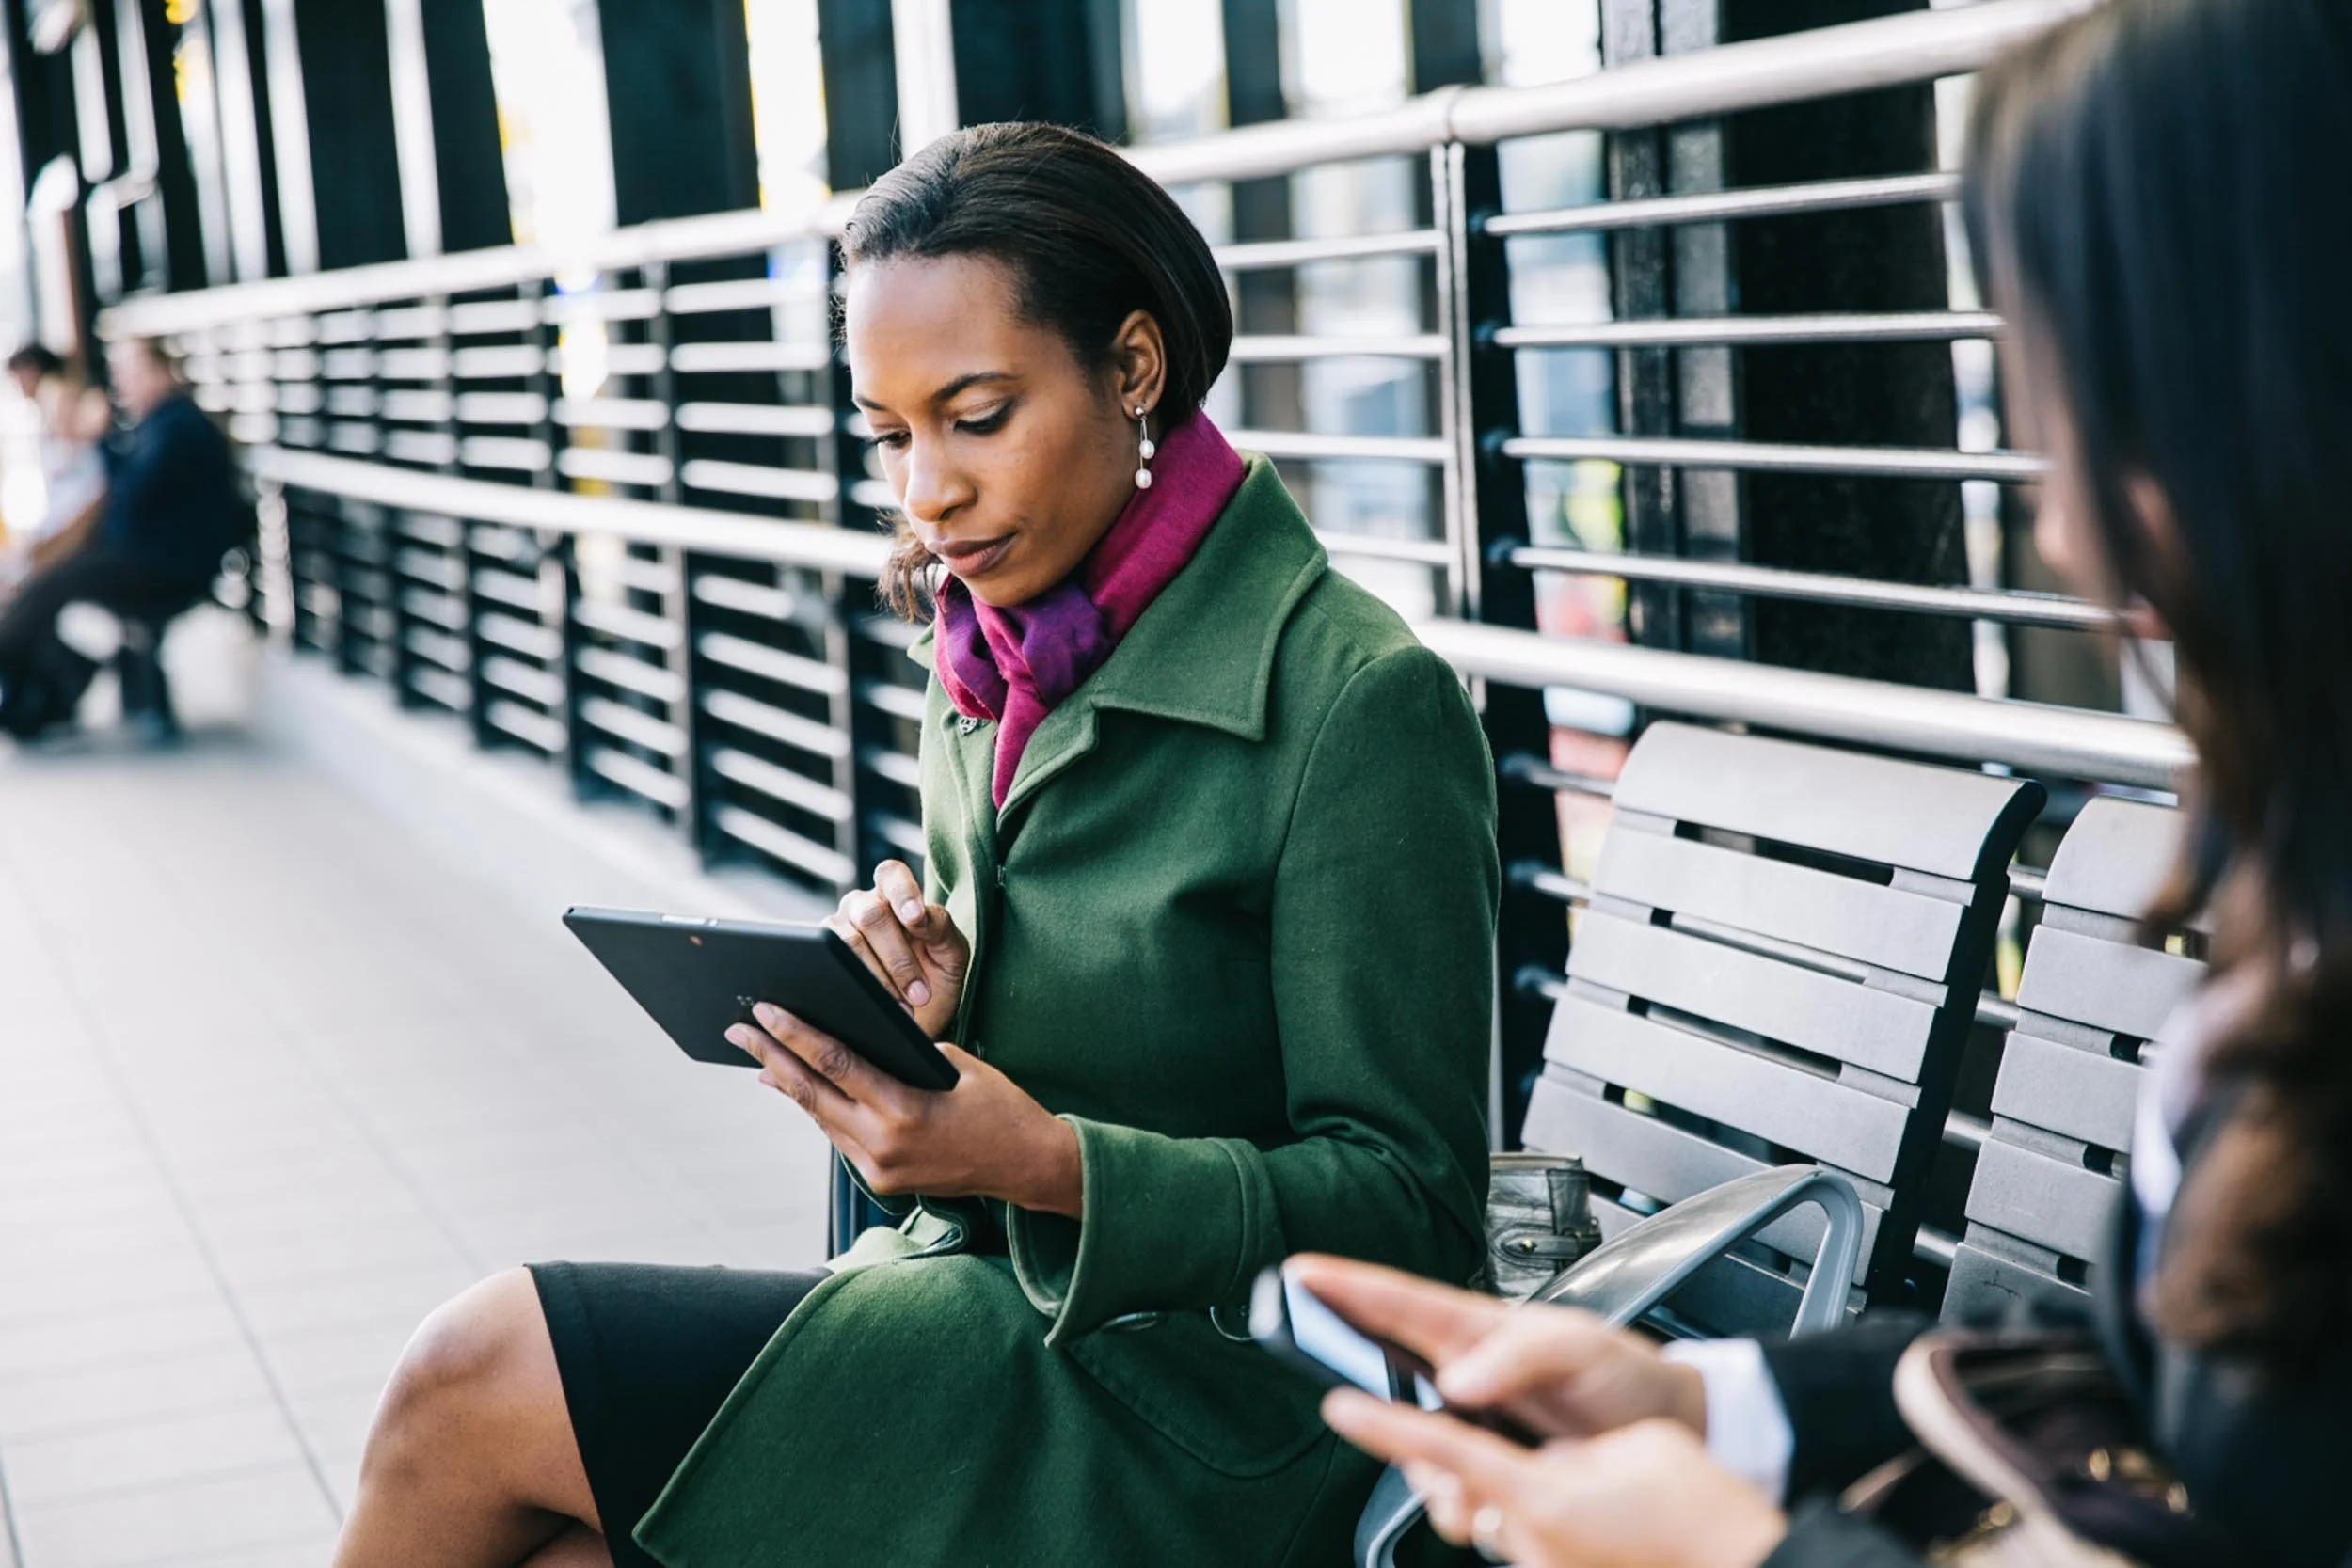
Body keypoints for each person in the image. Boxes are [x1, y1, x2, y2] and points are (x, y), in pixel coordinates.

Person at [329, 122, 1500, 1568]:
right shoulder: (996, 661)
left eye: (977, 413)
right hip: (999, 1320)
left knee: (474, 1370)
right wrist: (914, 1027)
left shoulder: (1355, 700)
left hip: (1220, 1409)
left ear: (1133, 368)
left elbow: (1416, 1206)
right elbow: (1010, 1100)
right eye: (891, 433)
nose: (924, 492)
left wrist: (1051, 1162)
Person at [1288, 2, 2352, 1565]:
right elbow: (2160, 1380)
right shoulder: (2298, 887)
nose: (2060, 535)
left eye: (2084, 415)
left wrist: (1736, 1550)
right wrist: (1696, 1402)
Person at [0, 336, 240, 739]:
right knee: (47, 584)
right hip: (154, 554)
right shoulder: (157, 425)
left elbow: (127, 502)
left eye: (133, 372)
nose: (123, 383)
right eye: (121, 374)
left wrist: (99, 439)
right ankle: (39, 691)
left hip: (171, 563)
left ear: (164, 373)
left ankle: (34, 684)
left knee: (53, 585)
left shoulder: (176, 427)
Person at [1, 343, 109, 572]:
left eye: (62, 412)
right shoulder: (55, 451)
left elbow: (87, 517)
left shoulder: (91, 455)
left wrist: (38, 557)